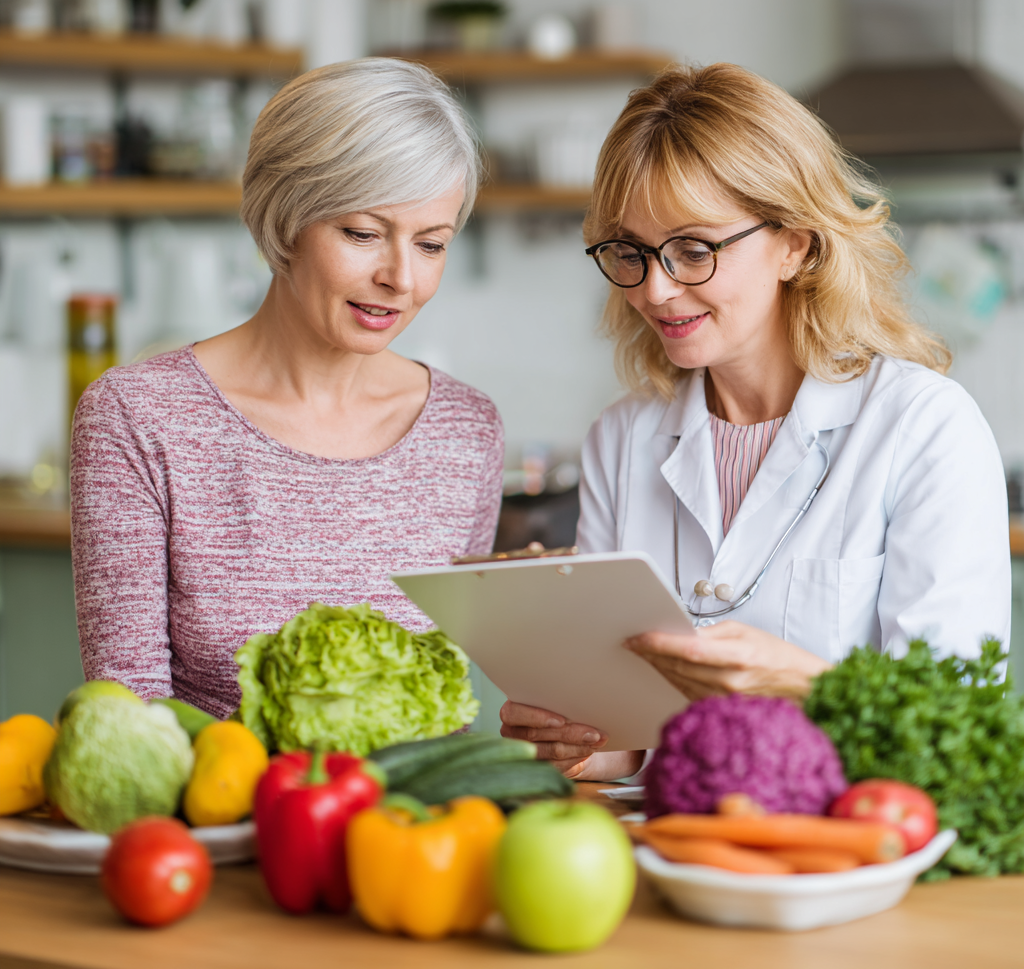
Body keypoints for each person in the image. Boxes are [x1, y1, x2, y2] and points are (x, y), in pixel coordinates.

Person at [500, 63, 1011, 781]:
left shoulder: (924, 427)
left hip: (848, 862)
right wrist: (578, 741)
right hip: (671, 851)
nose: (655, 287)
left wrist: (806, 686)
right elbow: (629, 741)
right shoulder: (623, 438)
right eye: (631, 252)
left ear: (795, 243)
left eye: (693, 249)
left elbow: (958, 732)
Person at [71, 58, 503, 717]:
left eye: (432, 244)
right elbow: (133, 724)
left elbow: (444, 702)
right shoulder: (139, 417)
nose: (401, 278)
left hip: (415, 822)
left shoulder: (465, 432)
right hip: (216, 817)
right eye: (362, 233)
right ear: (283, 219)